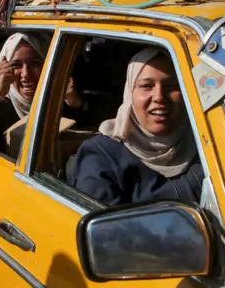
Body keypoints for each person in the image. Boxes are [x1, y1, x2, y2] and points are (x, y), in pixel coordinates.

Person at [68, 48, 203, 207]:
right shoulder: (101, 156)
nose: (159, 97)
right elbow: (108, 228)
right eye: (147, 86)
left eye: (172, 85)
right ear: (130, 93)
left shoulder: (205, 141)